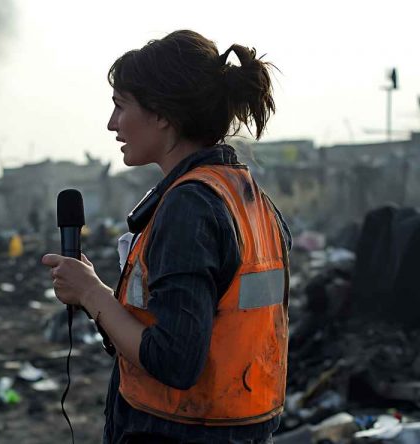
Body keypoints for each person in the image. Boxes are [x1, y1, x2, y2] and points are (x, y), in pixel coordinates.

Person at [42, 30, 291, 444]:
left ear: (161, 114)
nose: (112, 124)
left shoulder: (189, 206)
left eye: (121, 107)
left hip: (178, 432)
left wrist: (92, 296)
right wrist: (97, 290)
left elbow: (173, 360)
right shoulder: (246, 195)